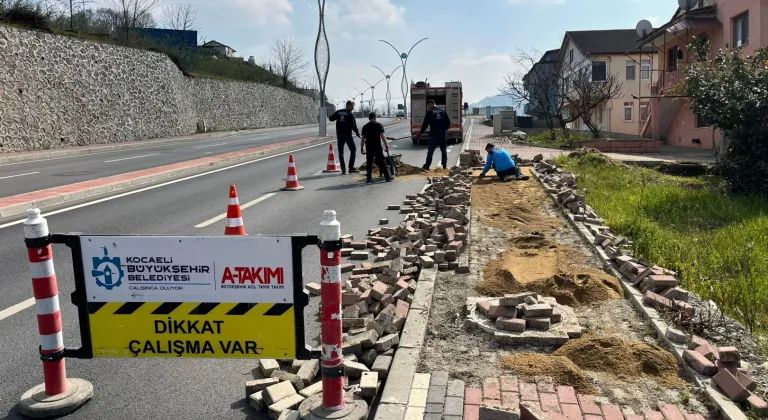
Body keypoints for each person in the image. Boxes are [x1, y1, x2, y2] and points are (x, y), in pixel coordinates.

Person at [416, 100, 452, 170]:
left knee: (430, 151)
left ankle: (427, 166)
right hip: (442, 135)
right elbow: (448, 123)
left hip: (434, 135)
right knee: (443, 150)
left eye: (428, 105)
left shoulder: (429, 112)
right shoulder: (443, 111)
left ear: (431, 104)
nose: (428, 107)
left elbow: (425, 124)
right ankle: (444, 166)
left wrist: (421, 133)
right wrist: (444, 130)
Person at [328, 101, 361, 174]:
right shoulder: (350, 114)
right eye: (352, 106)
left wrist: (338, 118)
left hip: (340, 135)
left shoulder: (339, 112)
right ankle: (351, 168)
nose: (353, 108)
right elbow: (353, 126)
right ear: (348, 106)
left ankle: (343, 169)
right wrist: (357, 133)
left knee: (341, 152)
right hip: (347, 135)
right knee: (353, 149)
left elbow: (330, 118)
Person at [361, 112, 392, 184]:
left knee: (369, 163)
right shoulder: (378, 125)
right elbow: (383, 137)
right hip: (377, 147)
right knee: (382, 162)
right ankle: (387, 177)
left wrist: (362, 148)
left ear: (369, 118)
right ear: (375, 117)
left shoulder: (365, 127)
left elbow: (362, 138)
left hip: (369, 147)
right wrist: (386, 145)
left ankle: (369, 179)